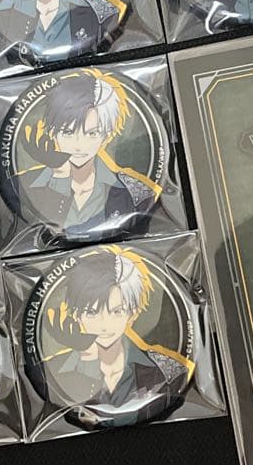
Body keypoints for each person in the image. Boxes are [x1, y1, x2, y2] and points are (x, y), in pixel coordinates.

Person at [43, 247, 186, 408]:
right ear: (76, 315)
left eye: (117, 311)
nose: (105, 325)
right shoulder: (50, 370)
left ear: (132, 314)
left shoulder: (167, 369)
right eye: (91, 313)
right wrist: (87, 358)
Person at [22, 70, 157, 237]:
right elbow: (45, 232)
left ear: (106, 135)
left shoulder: (135, 193)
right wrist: (60, 177)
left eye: (92, 133)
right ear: (52, 133)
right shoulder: (24, 185)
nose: (79, 145)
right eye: (68, 132)